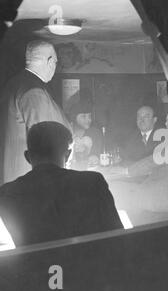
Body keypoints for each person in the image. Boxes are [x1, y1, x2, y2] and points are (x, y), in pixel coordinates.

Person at [0, 121, 123, 247]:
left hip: (38, 267)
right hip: (89, 265)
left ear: (27, 156)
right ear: (68, 154)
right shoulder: (92, 182)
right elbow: (119, 239)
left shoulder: (6, 194)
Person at [0, 40, 71, 183]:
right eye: (55, 63)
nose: (54, 68)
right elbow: (45, 145)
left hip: (12, 177)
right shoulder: (34, 91)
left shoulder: (13, 84)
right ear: (50, 61)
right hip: (31, 181)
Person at [69, 100, 103, 169]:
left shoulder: (95, 133)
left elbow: (95, 155)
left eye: (89, 116)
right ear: (74, 118)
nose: (88, 120)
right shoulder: (68, 133)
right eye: (83, 116)